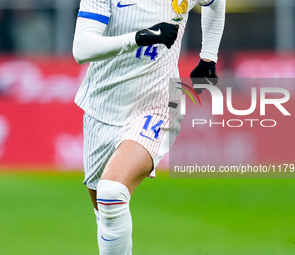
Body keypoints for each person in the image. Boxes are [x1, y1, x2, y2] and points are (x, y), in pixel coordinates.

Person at [72, 0, 225, 254]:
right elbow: (82, 48)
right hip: (102, 107)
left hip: (159, 102)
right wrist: (139, 38)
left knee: (112, 193)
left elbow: (215, 2)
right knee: (104, 211)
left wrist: (209, 57)